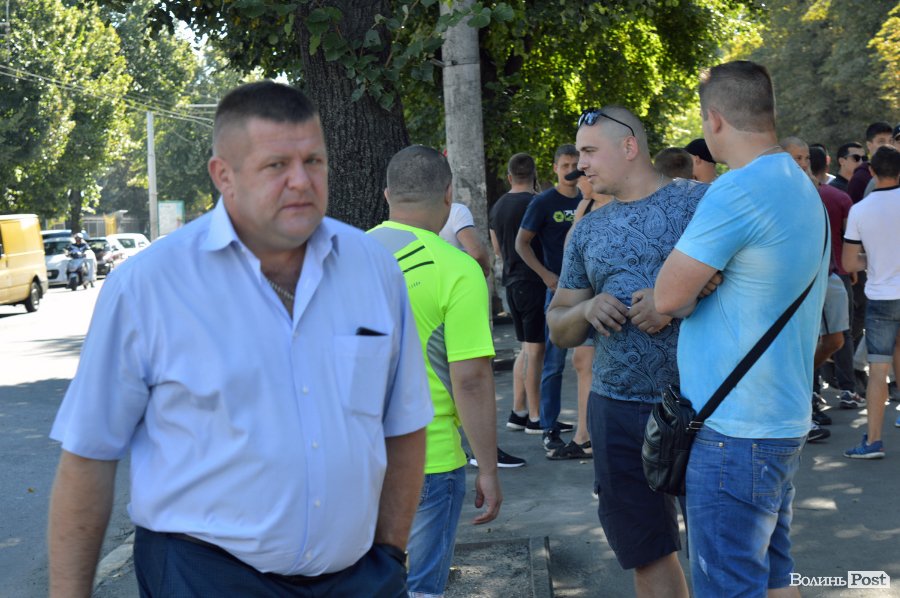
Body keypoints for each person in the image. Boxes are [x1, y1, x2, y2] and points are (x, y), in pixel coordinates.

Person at [47, 81, 433, 597]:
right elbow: (89, 456)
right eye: (277, 165)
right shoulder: (148, 287)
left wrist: (389, 556)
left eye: (313, 161)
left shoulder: (373, 269)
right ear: (223, 175)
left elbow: (403, 424)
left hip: (358, 578)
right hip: (205, 576)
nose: (301, 181)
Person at [655, 60, 828, 598]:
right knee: (775, 578)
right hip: (778, 418)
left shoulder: (738, 190)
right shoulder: (799, 184)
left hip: (734, 430)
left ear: (714, 119)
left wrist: (696, 286)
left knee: (730, 586)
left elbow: (666, 297)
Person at [547, 105, 708, 597]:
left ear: (630, 147)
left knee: (724, 550)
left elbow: (749, 278)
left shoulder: (699, 202)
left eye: (590, 152)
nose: (580, 165)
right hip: (617, 409)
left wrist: (673, 301)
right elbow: (559, 326)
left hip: (705, 405)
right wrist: (586, 308)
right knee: (646, 552)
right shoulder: (588, 229)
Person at [369, 145, 502, 597]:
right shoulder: (458, 269)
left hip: (351, 457)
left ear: (387, 194)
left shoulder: (341, 257)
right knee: (420, 590)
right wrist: (488, 468)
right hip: (428, 459)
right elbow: (471, 380)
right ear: (449, 195)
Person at [515, 144, 582, 452]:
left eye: (575, 164)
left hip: (591, 292)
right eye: (565, 165)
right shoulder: (542, 202)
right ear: (555, 168)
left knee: (590, 364)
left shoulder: (590, 198)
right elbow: (521, 243)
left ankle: (589, 430)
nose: (571, 170)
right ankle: (548, 427)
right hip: (558, 294)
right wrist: (545, 276)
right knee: (554, 364)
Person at [842, 145, 900, 459]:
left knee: (878, 369)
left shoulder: (860, 210)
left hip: (881, 298)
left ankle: (874, 440)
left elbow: (849, 262)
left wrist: (873, 259)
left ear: (873, 172)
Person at [489, 153, 545, 435]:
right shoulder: (538, 203)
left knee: (525, 348)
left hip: (511, 281)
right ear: (534, 175)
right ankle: (535, 417)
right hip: (534, 280)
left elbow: (497, 249)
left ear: (509, 176)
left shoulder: (498, 206)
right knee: (535, 351)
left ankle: (518, 411)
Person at [438, 202, 492, 276]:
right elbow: (477, 253)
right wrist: (485, 271)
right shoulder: (457, 210)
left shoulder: (421, 217)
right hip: (460, 276)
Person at [847, 121, 893, 202]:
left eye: (890, 141)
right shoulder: (859, 178)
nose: (888, 145)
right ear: (869, 145)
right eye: (881, 141)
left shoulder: (896, 171)